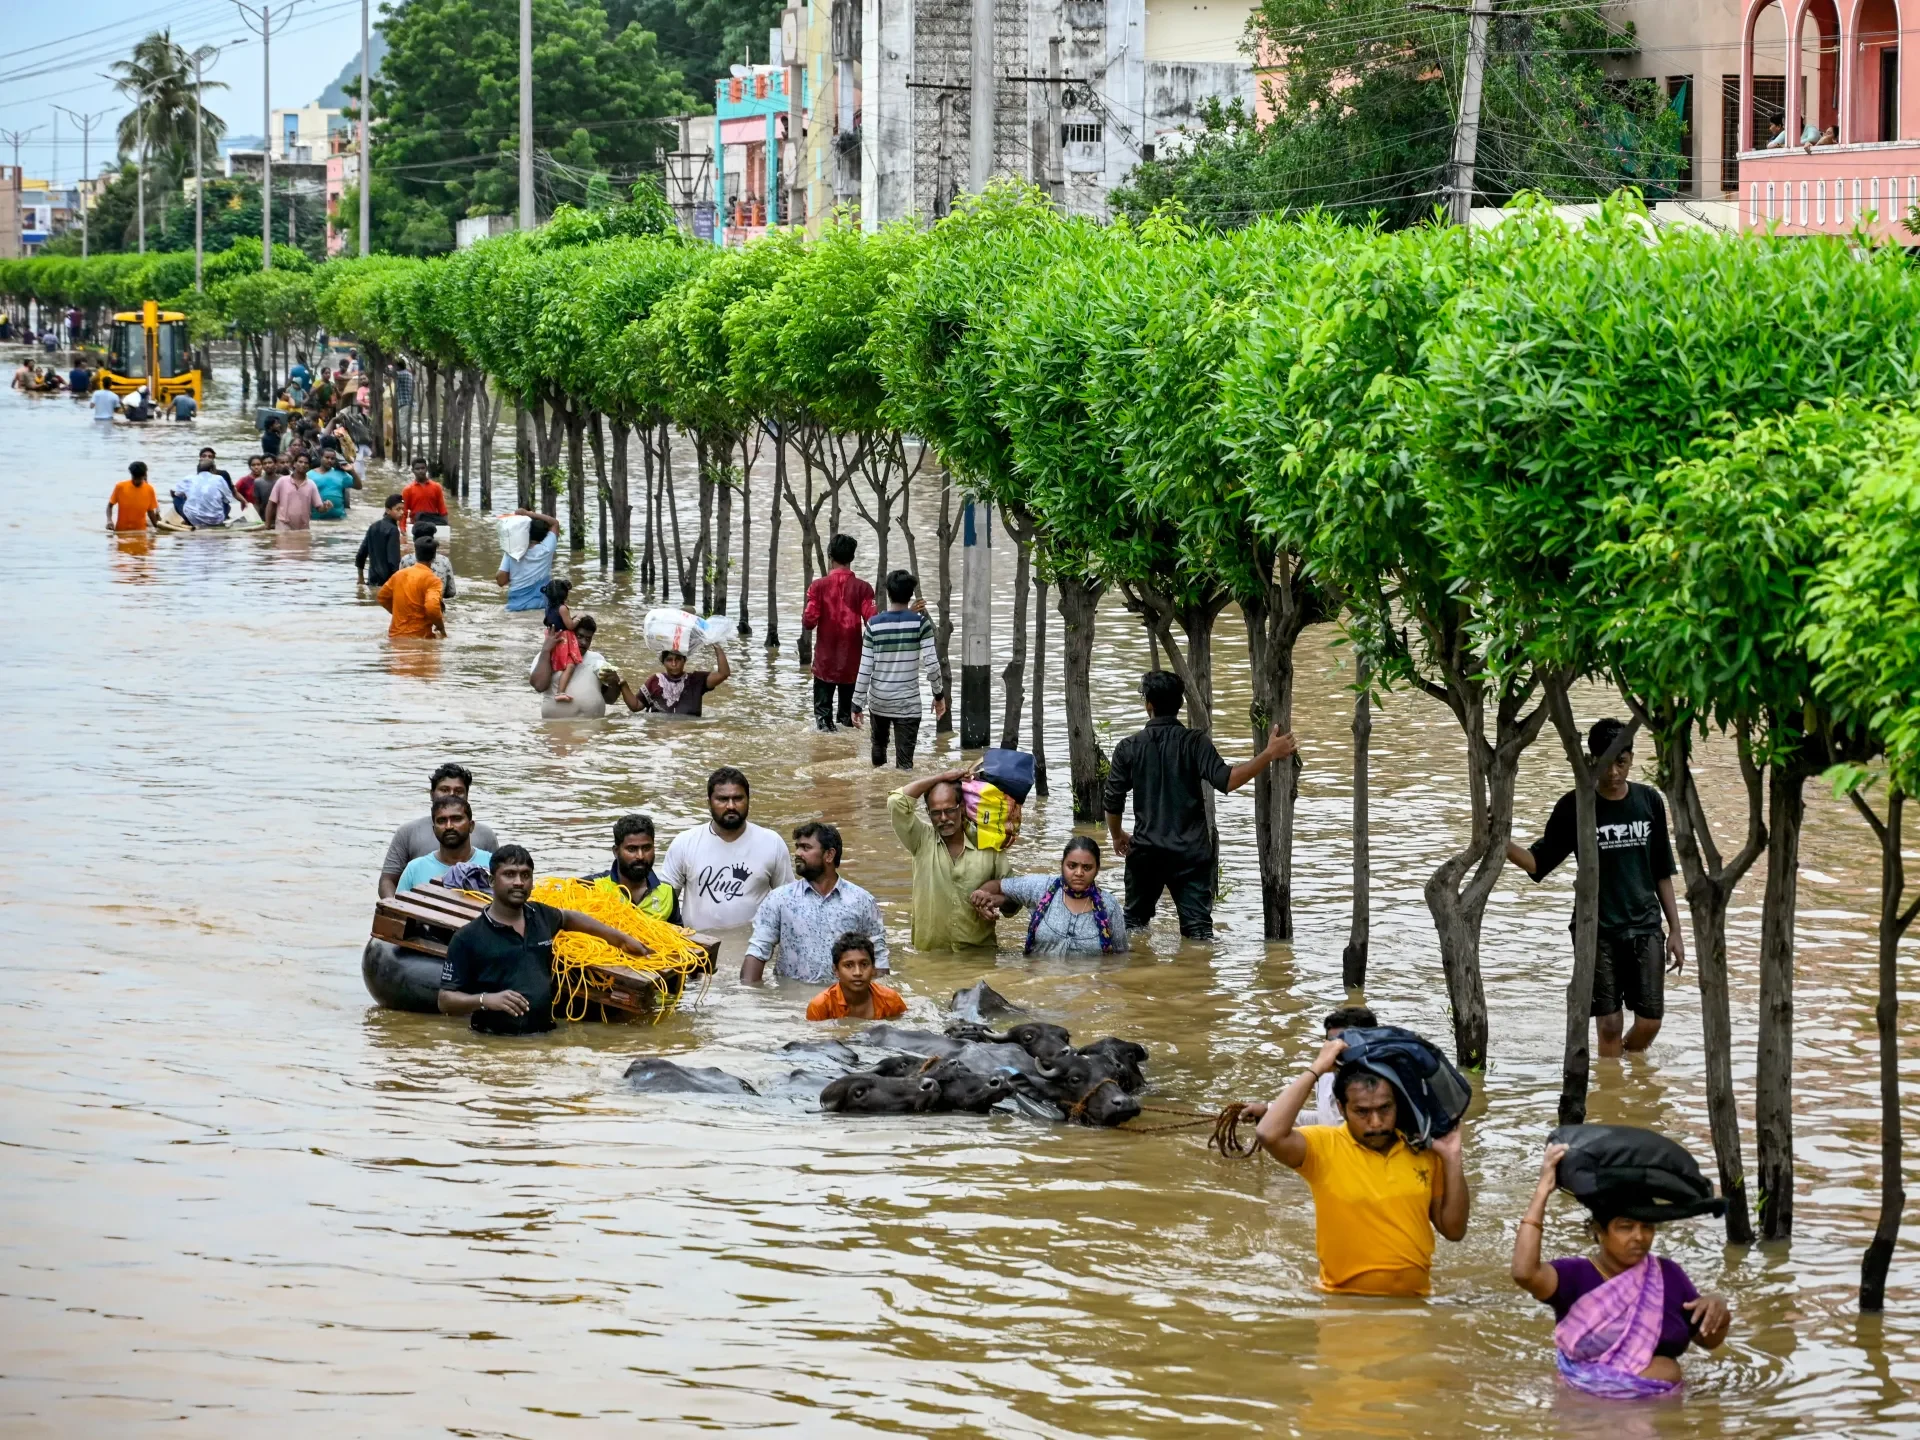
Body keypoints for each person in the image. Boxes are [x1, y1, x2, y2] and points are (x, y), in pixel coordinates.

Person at [1505, 717, 1683, 1057]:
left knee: (1650, 1021)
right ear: (1591, 761)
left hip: (1645, 925)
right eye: (1605, 763)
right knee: (1609, 1026)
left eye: (1622, 762)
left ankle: (1626, 1076)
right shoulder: (1575, 805)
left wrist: (1675, 929)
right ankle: (1611, 1089)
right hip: (1597, 930)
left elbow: (1662, 870)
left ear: (1631, 759)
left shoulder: (1649, 802)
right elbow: (1538, 862)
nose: (1614, 772)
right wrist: (1499, 841)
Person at [1243, 1035, 1470, 1297]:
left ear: (1398, 1104)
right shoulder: (1323, 1146)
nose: (1376, 1122)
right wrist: (1317, 1068)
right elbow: (1268, 1134)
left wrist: (1452, 1157)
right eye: (1362, 1111)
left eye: (1385, 1108)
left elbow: (1454, 1230)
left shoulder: (1422, 1150)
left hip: (1416, 1303)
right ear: (1341, 1108)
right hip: (1343, 1304)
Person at [1511, 1142, 1730, 1397]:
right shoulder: (1575, 1276)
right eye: (1626, 1226)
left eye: (1647, 1226)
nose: (1639, 1236)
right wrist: (1542, 1191)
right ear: (1599, 1231)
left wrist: (1719, 1309)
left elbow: (1707, 1340)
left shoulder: (1667, 1275)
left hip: (1659, 1419)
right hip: (1584, 1411)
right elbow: (1524, 1272)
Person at [1103, 670, 1299, 940]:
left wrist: (1117, 835)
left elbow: (1113, 801)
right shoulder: (1195, 743)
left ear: (1148, 704)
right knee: (1198, 935)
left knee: (1134, 926)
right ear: (1180, 704)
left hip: (1146, 852)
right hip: (1190, 854)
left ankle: (1136, 976)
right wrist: (1268, 754)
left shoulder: (1128, 747)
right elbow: (1227, 780)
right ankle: (1199, 977)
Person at [436, 846, 652, 1036]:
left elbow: (569, 917)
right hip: (495, 1041)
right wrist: (485, 1000)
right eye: (509, 875)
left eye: (525, 875)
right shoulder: (468, 937)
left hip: (544, 1035)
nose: (519, 882)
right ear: (492, 881)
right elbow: (445, 1000)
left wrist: (621, 940)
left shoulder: (540, 916)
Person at [741, 822, 890, 985]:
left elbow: (879, 959)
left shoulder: (861, 901)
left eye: (806, 848)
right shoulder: (779, 899)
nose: (797, 853)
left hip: (843, 1000)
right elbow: (758, 950)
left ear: (829, 855)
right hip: (791, 1001)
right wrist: (750, 997)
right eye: (797, 847)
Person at [659, 767, 795, 932]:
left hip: (753, 951)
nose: (731, 806)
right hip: (698, 949)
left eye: (738, 798)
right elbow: (663, 904)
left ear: (748, 800)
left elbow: (788, 904)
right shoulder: (685, 843)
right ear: (709, 802)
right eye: (722, 799)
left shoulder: (772, 843)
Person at [889, 768, 1011, 950]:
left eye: (950, 810)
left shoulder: (988, 845)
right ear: (928, 813)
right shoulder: (921, 839)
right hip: (929, 957)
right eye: (936, 813)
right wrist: (941, 777)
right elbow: (896, 801)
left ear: (962, 808)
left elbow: (1015, 895)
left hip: (979, 957)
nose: (943, 819)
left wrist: (993, 900)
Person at [969, 836, 1128, 956]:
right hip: (1040, 988)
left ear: (1097, 869)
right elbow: (998, 885)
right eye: (1072, 866)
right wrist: (981, 897)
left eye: (1087, 867)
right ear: (1062, 865)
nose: (1079, 873)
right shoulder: (1041, 888)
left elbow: (1120, 957)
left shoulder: (1109, 906)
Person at [852, 568, 946, 768]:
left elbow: (865, 667)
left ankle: (876, 798)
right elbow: (931, 664)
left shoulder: (873, 625)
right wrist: (939, 695)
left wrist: (856, 704)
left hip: (879, 702)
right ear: (911, 594)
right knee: (905, 767)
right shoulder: (921, 624)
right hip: (908, 704)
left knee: (878, 754)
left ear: (888, 593)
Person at [380, 763, 502, 898]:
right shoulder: (409, 838)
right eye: (444, 789)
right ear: (432, 794)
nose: (451, 795)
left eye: (458, 791)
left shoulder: (486, 837)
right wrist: (391, 907)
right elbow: (388, 880)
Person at [800, 533, 876, 731]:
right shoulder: (864, 588)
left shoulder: (818, 587)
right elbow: (873, 622)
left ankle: (825, 757)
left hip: (825, 663)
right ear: (851, 558)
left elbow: (809, 622)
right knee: (848, 722)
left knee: (823, 722)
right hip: (852, 664)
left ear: (830, 556)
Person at [579, 814, 679, 921]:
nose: (640, 856)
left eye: (646, 848)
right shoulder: (591, 888)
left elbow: (679, 935)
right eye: (632, 849)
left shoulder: (667, 894)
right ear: (616, 852)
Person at [396, 794, 493, 893]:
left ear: (471, 826)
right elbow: (397, 907)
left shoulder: (493, 864)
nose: (449, 826)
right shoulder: (414, 869)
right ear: (434, 830)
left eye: (457, 819)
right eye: (442, 821)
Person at [804, 934, 908, 1021]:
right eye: (848, 965)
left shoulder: (891, 1001)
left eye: (864, 964)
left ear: (873, 968)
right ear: (836, 970)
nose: (858, 973)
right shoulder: (820, 1007)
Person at [1312, 1005, 1379, 1126]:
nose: (1336, 1051)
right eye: (1331, 1042)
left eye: (1343, 1044)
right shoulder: (1323, 1074)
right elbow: (1325, 1117)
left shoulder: (1382, 1086)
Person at [377, 535, 447, 638]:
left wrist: (399, 614)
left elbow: (382, 597)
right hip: (421, 637)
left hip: (395, 636)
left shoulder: (399, 575)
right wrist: (440, 626)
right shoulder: (433, 580)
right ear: (433, 557)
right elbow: (432, 607)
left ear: (416, 554)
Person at [638, 643, 729, 716]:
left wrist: (717, 645)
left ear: (684, 660)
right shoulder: (655, 681)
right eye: (669, 660)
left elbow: (723, 674)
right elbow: (636, 706)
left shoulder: (696, 680)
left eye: (678, 659)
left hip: (688, 734)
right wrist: (623, 684)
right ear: (663, 662)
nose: (674, 664)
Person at [496, 510, 560, 612]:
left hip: (515, 608)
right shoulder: (547, 549)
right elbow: (554, 523)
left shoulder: (512, 551)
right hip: (541, 608)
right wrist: (529, 513)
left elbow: (500, 581)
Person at [541, 578, 584, 703]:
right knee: (570, 665)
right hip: (563, 640)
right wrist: (579, 618)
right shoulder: (562, 608)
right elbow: (570, 625)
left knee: (557, 666)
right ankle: (560, 692)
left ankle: (556, 691)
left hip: (552, 638)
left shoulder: (548, 608)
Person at [357, 495, 408, 589]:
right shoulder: (393, 530)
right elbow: (393, 560)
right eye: (398, 509)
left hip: (372, 580)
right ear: (388, 510)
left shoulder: (373, 526)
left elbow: (361, 554)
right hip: (387, 582)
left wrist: (361, 578)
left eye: (403, 509)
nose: (401, 512)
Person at [171, 459, 234, 529]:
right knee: (226, 504)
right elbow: (229, 499)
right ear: (212, 469)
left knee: (176, 498)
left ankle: (188, 520)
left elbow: (176, 493)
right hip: (216, 520)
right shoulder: (219, 479)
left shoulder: (189, 478)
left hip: (193, 520)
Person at [264, 460, 323, 531]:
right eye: (300, 462)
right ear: (294, 464)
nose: (303, 464)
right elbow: (271, 504)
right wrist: (267, 525)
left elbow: (319, 507)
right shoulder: (282, 481)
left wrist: (325, 507)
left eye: (306, 463)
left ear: (309, 466)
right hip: (283, 525)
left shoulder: (311, 484)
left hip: (303, 527)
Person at [106, 461, 160, 533]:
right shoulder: (120, 487)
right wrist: (109, 520)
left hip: (140, 532)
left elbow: (150, 512)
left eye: (139, 478)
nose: (137, 481)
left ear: (144, 475)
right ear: (131, 475)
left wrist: (157, 528)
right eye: (135, 478)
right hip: (121, 531)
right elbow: (110, 506)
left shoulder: (149, 489)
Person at [308, 448, 358, 521]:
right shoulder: (309, 475)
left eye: (332, 458)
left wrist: (352, 471)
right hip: (316, 520)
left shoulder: (341, 473)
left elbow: (358, 486)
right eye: (327, 458)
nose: (329, 460)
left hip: (339, 519)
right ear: (320, 457)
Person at [402, 457, 448, 532]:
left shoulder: (436, 487)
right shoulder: (407, 490)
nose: (420, 471)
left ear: (426, 469)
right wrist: (402, 528)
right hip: (416, 525)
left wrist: (446, 526)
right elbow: (404, 511)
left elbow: (442, 509)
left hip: (432, 523)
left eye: (423, 468)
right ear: (413, 471)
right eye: (417, 469)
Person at [415, 523, 456, 599]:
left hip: (408, 607)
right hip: (436, 605)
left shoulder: (405, 560)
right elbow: (451, 591)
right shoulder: (444, 561)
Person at [390, 357, 416, 460]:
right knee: (408, 432)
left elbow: (389, 373)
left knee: (401, 433)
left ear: (397, 366)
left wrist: (387, 361)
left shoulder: (402, 374)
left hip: (405, 405)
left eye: (394, 366)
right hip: (410, 405)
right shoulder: (408, 374)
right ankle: (412, 454)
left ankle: (411, 452)